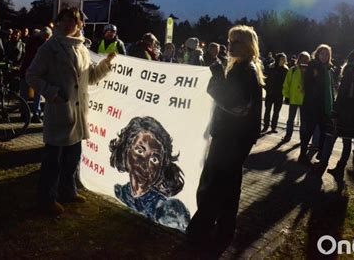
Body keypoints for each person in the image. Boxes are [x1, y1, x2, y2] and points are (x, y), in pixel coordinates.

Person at [26, 7, 116, 215]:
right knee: (52, 161)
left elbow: (90, 78)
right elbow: (32, 75)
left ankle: (68, 191)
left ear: (80, 25)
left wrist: (106, 64)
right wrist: (52, 93)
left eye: (72, 21)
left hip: (78, 115)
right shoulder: (50, 48)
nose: (67, 25)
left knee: (72, 159)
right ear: (57, 23)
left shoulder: (82, 48)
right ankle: (46, 199)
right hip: (60, 112)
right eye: (63, 20)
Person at [186, 25, 264, 255]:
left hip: (233, 138)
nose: (230, 46)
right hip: (234, 137)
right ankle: (223, 231)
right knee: (228, 187)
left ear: (248, 46)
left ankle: (200, 232)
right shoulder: (242, 67)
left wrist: (217, 77)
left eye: (236, 42)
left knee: (213, 185)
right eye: (229, 41)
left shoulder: (245, 70)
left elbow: (236, 105)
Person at [109, 116, 190, 231]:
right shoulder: (120, 193)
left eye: (154, 159)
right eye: (140, 151)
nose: (145, 164)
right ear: (126, 151)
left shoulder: (167, 210)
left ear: (162, 167)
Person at [313, 49, 354, 178]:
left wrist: (335, 111)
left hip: (343, 112)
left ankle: (322, 166)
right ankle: (340, 168)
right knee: (347, 142)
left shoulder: (349, 71)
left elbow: (342, 94)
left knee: (329, 139)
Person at [298, 44, 335, 164]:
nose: (324, 56)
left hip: (323, 107)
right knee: (308, 131)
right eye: (322, 53)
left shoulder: (329, 69)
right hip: (312, 105)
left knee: (324, 131)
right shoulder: (313, 66)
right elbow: (307, 85)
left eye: (327, 54)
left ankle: (320, 154)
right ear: (317, 54)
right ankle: (302, 156)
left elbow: (330, 89)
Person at [19, 27, 52, 123]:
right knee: (37, 94)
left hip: (25, 70)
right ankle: (36, 114)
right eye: (46, 37)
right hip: (36, 72)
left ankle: (24, 114)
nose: (47, 39)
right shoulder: (43, 45)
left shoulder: (30, 41)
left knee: (24, 93)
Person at [282, 51, 311, 142]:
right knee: (290, 119)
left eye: (306, 59)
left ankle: (303, 138)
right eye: (302, 58)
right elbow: (287, 83)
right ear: (299, 59)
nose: (304, 61)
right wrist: (286, 96)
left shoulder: (310, 71)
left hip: (304, 100)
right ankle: (288, 135)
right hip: (293, 99)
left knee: (304, 121)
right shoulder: (293, 69)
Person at [262, 52, 288, 133]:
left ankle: (273, 127)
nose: (283, 61)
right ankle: (265, 126)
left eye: (284, 59)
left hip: (279, 94)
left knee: (276, 112)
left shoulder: (285, 70)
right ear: (278, 59)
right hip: (270, 93)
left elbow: (286, 83)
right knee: (267, 110)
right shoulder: (271, 67)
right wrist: (267, 88)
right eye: (282, 59)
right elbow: (264, 79)